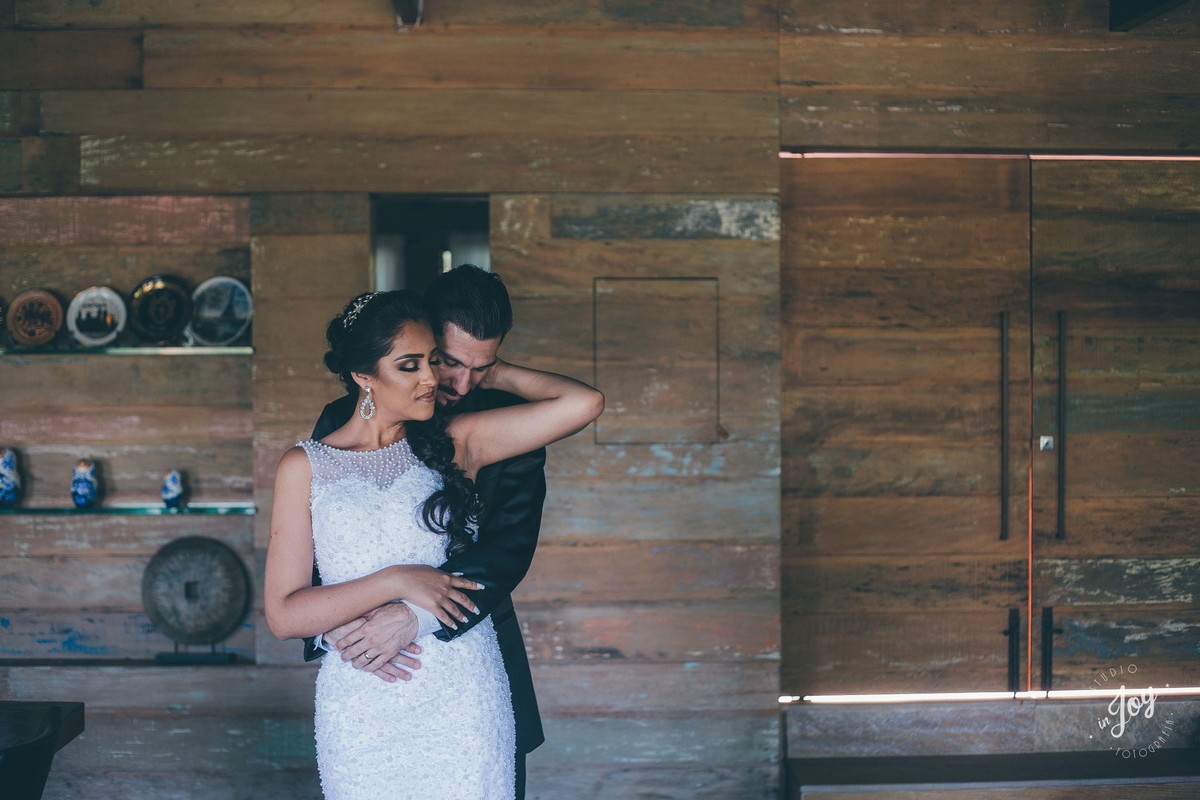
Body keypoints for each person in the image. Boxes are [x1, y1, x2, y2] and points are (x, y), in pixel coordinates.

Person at [264, 289, 603, 799]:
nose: (436, 379)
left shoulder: (461, 440)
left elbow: (584, 404)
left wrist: (491, 370)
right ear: (364, 375)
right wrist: (391, 585)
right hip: (362, 693)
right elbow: (289, 607)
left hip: (459, 683)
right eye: (415, 365)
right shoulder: (307, 462)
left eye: (434, 362)